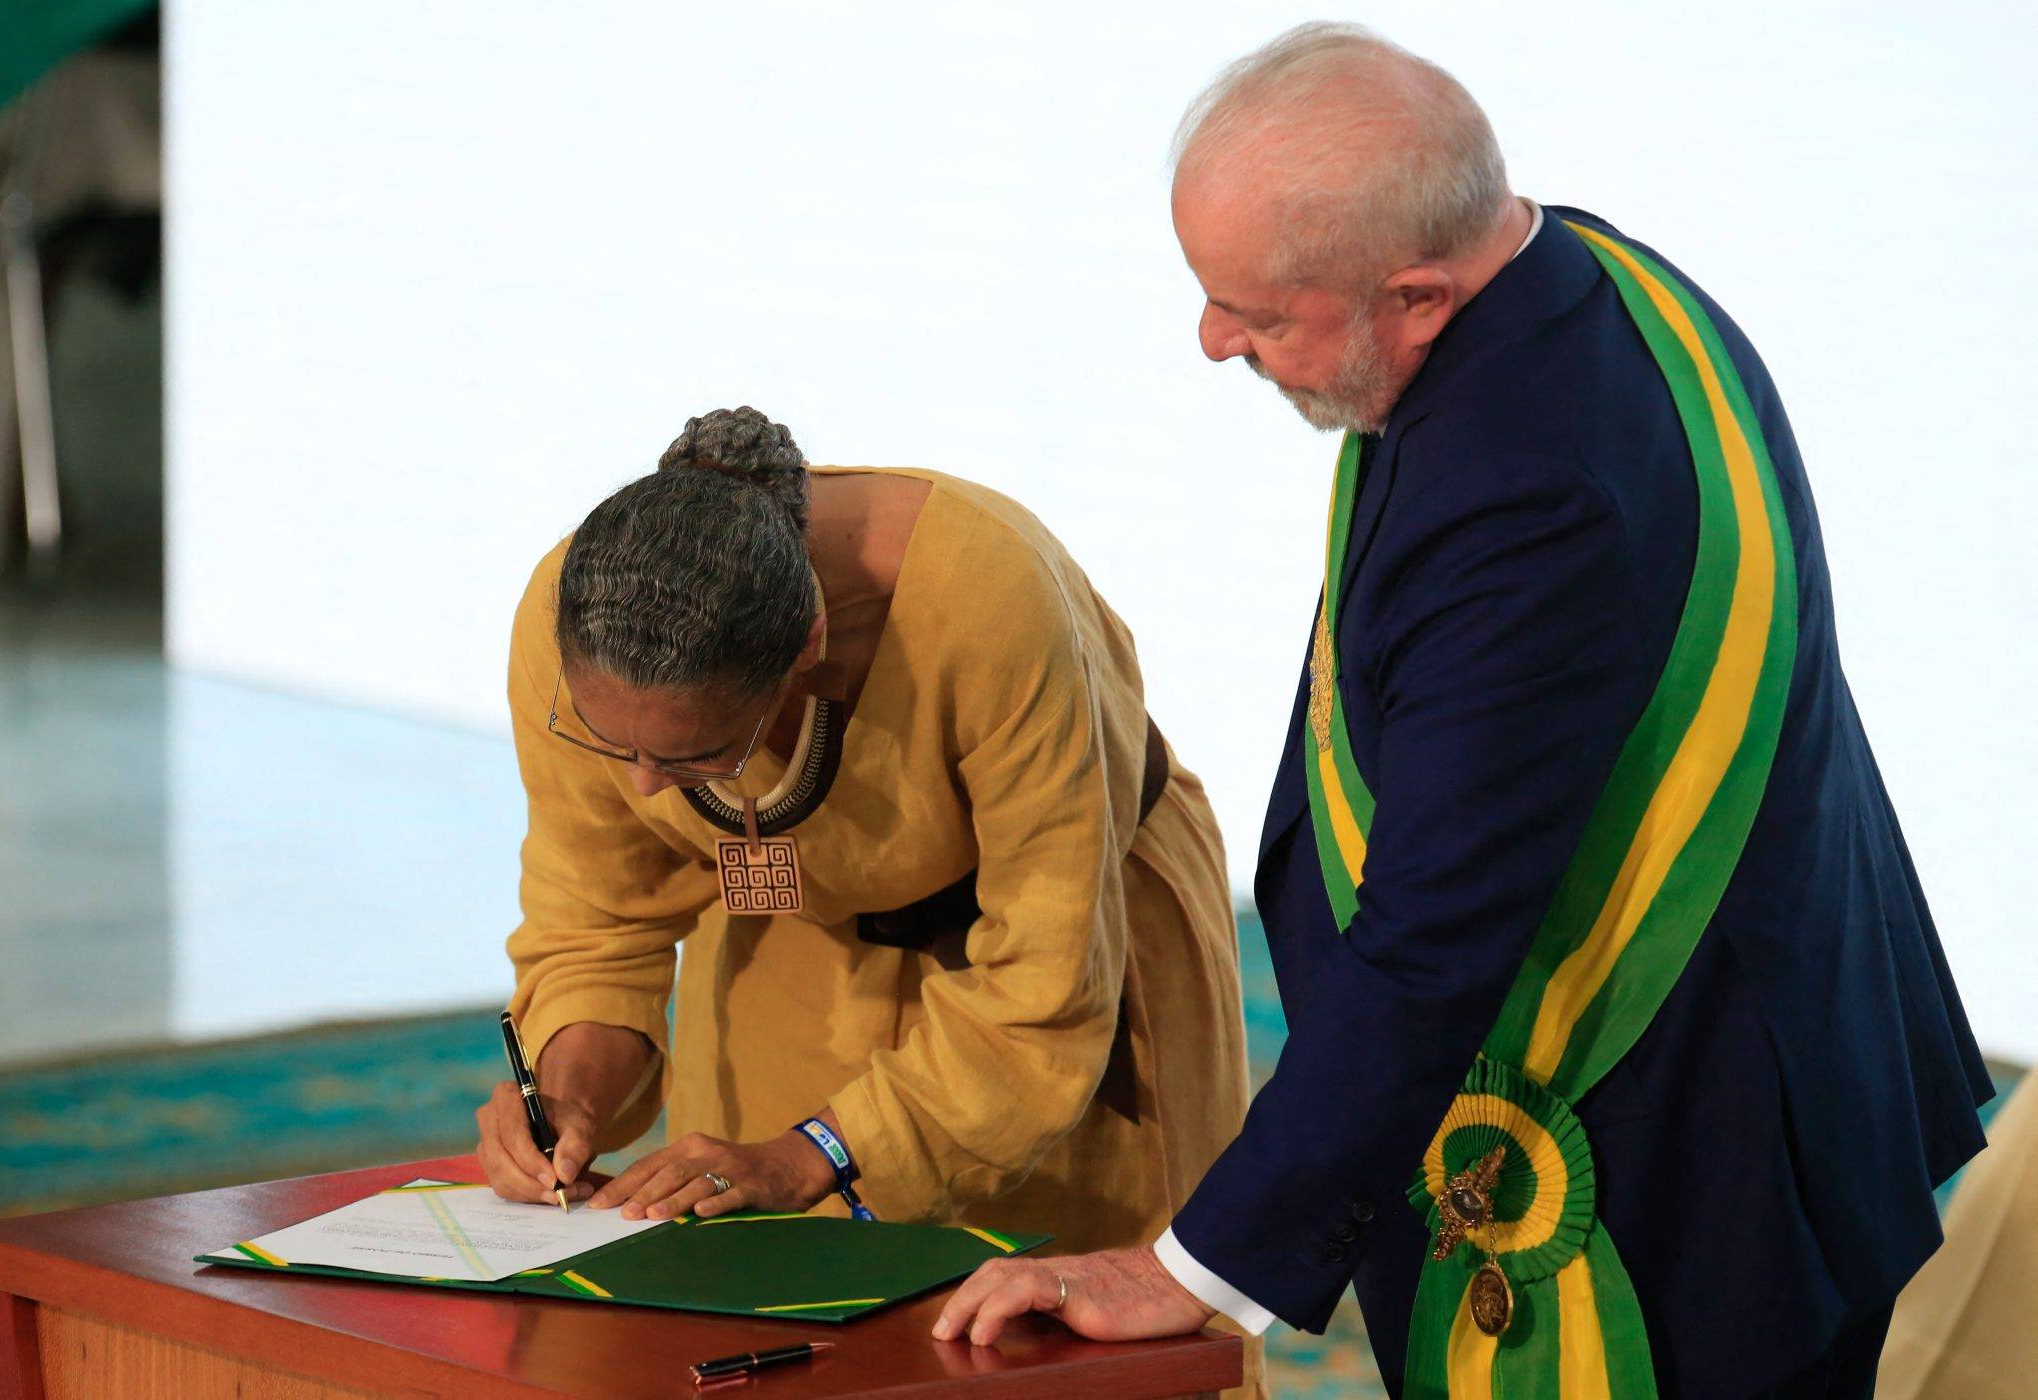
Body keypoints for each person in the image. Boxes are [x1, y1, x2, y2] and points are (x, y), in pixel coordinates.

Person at [936, 24, 1991, 1398]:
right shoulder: (1582, 271)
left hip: (1685, 1168)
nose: (1212, 342)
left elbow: (1433, 938)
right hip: (1790, 1038)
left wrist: (1190, 1270)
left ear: (1418, 295)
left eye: (1259, 316)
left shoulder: (1526, 490)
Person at [473, 407, 1260, 1381]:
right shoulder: (583, 618)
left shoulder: (992, 604)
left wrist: (805, 1153)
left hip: (1060, 952)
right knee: (761, 1319)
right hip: (789, 940)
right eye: (611, 744)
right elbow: (598, 918)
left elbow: (1044, 987)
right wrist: (567, 1097)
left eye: (690, 755)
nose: (639, 785)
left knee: (1056, 1349)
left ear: (805, 644)